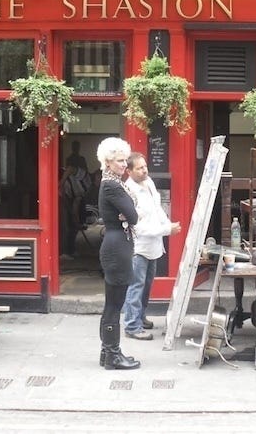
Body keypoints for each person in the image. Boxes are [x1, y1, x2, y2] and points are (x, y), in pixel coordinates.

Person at [122, 152, 181, 341]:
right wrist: (166, 230)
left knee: (146, 286)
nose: (144, 170)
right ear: (129, 171)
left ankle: (140, 317)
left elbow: (158, 210)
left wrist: (168, 224)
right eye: (139, 168)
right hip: (138, 247)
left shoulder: (149, 184)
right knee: (136, 286)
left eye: (145, 166)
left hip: (154, 245)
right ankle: (132, 325)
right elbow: (137, 226)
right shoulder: (128, 192)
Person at [96, 136, 140, 370]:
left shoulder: (112, 183)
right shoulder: (112, 185)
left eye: (125, 160)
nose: (124, 164)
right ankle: (113, 354)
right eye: (119, 160)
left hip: (117, 244)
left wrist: (130, 212)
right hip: (117, 248)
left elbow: (131, 213)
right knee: (114, 305)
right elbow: (133, 216)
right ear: (108, 162)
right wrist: (130, 212)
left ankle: (108, 353)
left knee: (111, 304)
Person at [58, 160, 91, 260]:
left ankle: (70, 250)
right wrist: (60, 184)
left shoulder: (84, 191)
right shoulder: (85, 176)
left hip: (66, 197)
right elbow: (70, 169)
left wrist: (76, 218)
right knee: (64, 226)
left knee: (72, 226)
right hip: (59, 194)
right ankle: (63, 252)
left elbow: (76, 205)